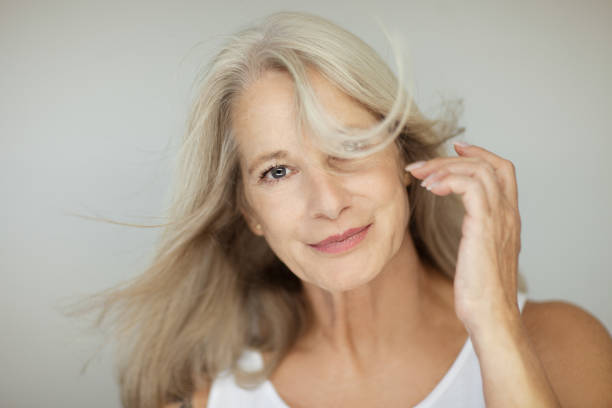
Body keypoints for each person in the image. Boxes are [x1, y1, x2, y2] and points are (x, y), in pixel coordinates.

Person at [70, 11, 612, 408]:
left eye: (349, 148)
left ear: (403, 156)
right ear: (250, 212)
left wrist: (494, 328)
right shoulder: (197, 391)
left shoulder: (560, 345)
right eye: (277, 171)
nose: (327, 203)